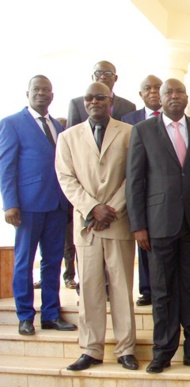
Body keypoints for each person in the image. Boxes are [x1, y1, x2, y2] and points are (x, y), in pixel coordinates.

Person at [126, 79, 190, 374]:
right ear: (158, 99)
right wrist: (138, 225)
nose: (174, 96)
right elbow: (135, 182)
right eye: (168, 93)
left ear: (187, 98)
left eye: (179, 92)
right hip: (158, 223)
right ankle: (163, 351)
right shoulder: (143, 131)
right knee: (162, 290)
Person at [56, 82, 138, 371]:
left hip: (118, 221)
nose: (94, 102)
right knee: (89, 287)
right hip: (88, 224)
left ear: (111, 100)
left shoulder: (129, 133)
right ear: (84, 102)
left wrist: (111, 208)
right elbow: (66, 179)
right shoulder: (68, 137)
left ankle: (126, 348)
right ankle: (91, 349)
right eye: (89, 98)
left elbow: (134, 176)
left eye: (100, 97)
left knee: (121, 287)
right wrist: (92, 208)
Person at [0, 75, 76, 336]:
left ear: (52, 96)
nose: (41, 93)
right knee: (24, 262)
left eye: (46, 90)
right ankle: (25, 316)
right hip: (27, 206)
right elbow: (6, 166)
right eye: (37, 89)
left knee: (53, 261)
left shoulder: (57, 125)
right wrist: (10, 203)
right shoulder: (12, 124)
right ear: (28, 93)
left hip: (56, 205)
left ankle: (51, 314)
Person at [121, 75, 163, 307]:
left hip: (164, 192)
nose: (153, 91)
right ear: (141, 94)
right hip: (141, 191)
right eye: (148, 88)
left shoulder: (174, 119)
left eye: (158, 87)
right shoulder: (129, 119)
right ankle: (147, 289)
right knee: (144, 242)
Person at [67, 61, 136, 127]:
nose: (103, 77)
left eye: (108, 73)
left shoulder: (128, 107)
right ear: (92, 77)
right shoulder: (76, 104)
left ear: (115, 78)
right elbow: (71, 135)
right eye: (98, 73)